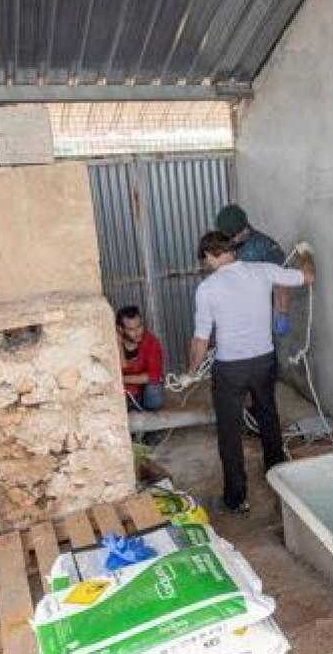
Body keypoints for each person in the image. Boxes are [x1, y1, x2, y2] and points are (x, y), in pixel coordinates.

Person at [187, 231, 315, 516]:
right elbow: (307, 277)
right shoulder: (263, 271)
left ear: (210, 255)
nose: (206, 265)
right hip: (263, 362)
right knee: (268, 417)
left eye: (205, 260)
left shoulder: (208, 288)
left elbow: (201, 338)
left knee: (229, 433)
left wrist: (191, 371)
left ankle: (236, 499)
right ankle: (279, 480)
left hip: (230, 368)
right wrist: (306, 253)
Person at [215, 203, 294, 337]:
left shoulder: (265, 246)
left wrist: (283, 313)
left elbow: (283, 280)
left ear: (244, 230)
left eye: (232, 236)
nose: (229, 240)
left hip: (257, 318)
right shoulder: (224, 243)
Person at [116, 305, 165, 412]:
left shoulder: (151, 342)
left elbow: (154, 376)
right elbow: (122, 367)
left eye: (139, 326)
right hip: (123, 392)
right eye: (131, 329)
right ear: (120, 329)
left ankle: (149, 416)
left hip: (143, 392)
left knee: (154, 389)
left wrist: (122, 380)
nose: (138, 332)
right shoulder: (112, 343)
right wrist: (119, 346)